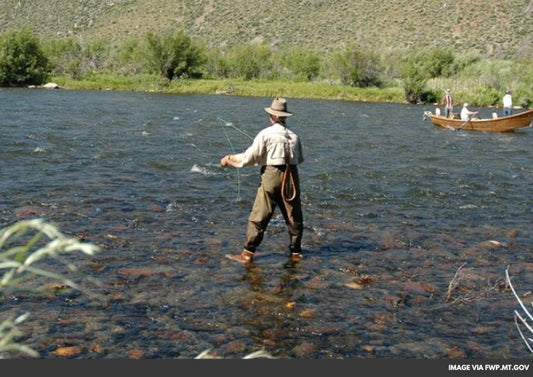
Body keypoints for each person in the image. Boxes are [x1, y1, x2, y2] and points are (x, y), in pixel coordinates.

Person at [220, 97, 305, 267]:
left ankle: (247, 254)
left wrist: (229, 159)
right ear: (285, 116)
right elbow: (300, 159)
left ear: (272, 116)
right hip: (292, 177)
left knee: (260, 215)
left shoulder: (266, 134)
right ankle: (296, 253)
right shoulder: (295, 136)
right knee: (293, 215)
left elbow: (248, 158)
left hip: (272, 176)